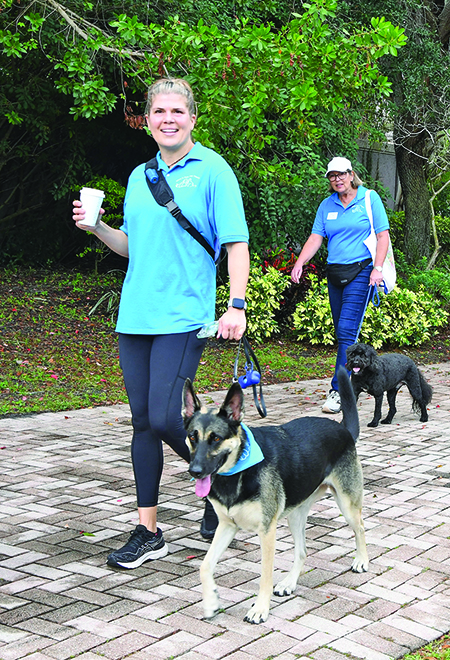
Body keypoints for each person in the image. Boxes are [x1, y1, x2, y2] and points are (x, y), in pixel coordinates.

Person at [72, 78, 250, 568]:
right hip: (136, 316)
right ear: (147, 119)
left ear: (192, 118)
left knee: (162, 416)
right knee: (142, 423)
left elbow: (236, 244)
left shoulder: (214, 170)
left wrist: (235, 305)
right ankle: (148, 531)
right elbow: (131, 246)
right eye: (159, 111)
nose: (167, 119)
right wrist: (97, 227)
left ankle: (223, 475)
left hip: (183, 314)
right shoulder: (140, 176)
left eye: (176, 111)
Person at [291, 157, 391, 414]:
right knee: (343, 334)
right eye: (332, 176)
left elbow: (383, 236)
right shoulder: (327, 205)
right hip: (335, 273)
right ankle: (361, 377)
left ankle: (339, 391)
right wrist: (300, 262)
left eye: (341, 174)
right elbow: (316, 237)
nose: (337, 179)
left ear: (351, 174)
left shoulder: (368, 198)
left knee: (347, 332)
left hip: (362, 270)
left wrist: (378, 268)